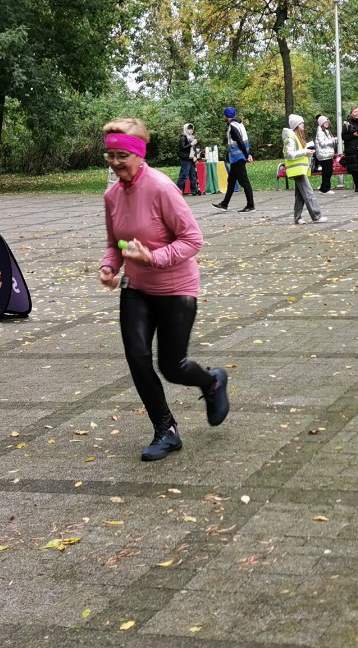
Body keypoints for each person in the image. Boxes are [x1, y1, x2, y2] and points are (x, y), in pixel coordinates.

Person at [98, 118, 230, 461]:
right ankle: (166, 430)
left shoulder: (161, 187)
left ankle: (212, 382)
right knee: (138, 358)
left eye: (120, 156)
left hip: (176, 288)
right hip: (137, 289)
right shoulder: (112, 195)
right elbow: (115, 243)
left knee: (172, 366)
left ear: (138, 155)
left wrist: (153, 256)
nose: (113, 163)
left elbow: (193, 239)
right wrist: (109, 266)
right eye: (108, 155)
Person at [283, 115, 325, 225]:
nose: (303, 125)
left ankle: (297, 217)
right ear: (296, 126)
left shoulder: (296, 137)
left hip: (299, 169)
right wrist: (305, 152)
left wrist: (306, 151)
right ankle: (316, 216)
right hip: (296, 170)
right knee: (308, 193)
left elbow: (298, 152)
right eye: (301, 123)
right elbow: (290, 154)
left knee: (300, 195)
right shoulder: (291, 138)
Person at [212, 107, 255, 212]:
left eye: (224, 115)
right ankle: (224, 204)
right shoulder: (239, 124)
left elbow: (239, 141)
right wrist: (247, 154)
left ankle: (251, 206)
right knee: (231, 181)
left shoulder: (232, 126)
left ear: (226, 116)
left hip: (238, 157)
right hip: (237, 158)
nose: (223, 117)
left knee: (244, 182)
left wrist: (246, 155)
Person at [312, 115, 339, 193]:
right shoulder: (320, 132)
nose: (327, 123)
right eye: (325, 122)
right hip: (323, 155)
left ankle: (323, 187)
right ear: (321, 123)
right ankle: (326, 189)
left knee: (329, 171)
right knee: (326, 172)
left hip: (328, 154)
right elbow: (322, 143)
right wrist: (333, 140)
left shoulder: (326, 131)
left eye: (327, 122)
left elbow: (330, 142)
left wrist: (335, 141)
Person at [176, 122, 202, 196]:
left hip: (191, 158)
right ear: (185, 129)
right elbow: (183, 148)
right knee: (184, 175)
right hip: (185, 158)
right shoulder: (183, 137)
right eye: (188, 129)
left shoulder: (192, 137)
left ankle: (194, 190)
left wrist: (195, 156)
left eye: (191, 129)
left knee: (193, 175)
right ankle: (177, 190)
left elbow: (193, 149)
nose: (190, 130)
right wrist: (191, 144)